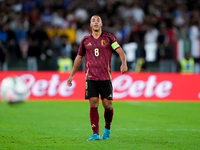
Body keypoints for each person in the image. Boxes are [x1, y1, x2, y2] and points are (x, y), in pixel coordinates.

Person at [67, 15, 128, 141]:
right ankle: (95, 133)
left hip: (105, 78)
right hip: (91, 78)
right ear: (90, 25)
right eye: (93, 21)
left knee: (107, 105)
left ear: (101, 24)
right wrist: (71, 75)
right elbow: (79, 58)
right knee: (93, 103)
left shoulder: (109, 38)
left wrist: (124, 63)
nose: (95, 22)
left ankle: (107, 128)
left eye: (98, 21)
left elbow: (120, 51)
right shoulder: (85, 40)